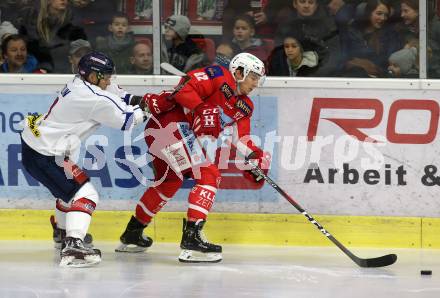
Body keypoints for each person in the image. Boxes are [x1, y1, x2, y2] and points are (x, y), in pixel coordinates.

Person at [20, 51, 174, 267]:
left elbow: (116, 94)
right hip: (45, 154)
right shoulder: (92, 98)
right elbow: (127, 121)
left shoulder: (81, 83)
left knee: (68, 194)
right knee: (85, 194)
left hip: (40, 148)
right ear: (93, 77)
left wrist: (140, 100)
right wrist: (152, 107)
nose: (109, 80)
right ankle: (73, 247)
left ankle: (63, 233)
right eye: (106, 76)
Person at [116, 52, 270, 263]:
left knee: (169, 183)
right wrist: (201, 107)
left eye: (258, 79)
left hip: (176, 135)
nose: (256, 83)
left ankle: (133, 232)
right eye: (253, 77)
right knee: (209, 173)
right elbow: (183, 87)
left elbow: (242, 138)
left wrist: (255, 158)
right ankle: (192, 237)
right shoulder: (217, 75)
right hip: (168, 126)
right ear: (240, 72)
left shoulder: (245, 106)